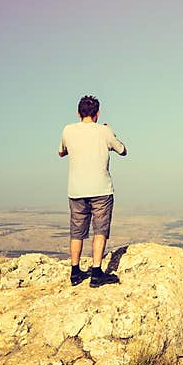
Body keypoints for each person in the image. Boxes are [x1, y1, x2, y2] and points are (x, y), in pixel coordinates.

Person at [58, 95, 127, 287]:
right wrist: (111, 133)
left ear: (78, 113)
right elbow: (122, 150)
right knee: (100, 230)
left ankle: (75, 272)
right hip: (101, 189)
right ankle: (96, 273)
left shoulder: (68, 130)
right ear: (97, 113)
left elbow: (61, 152)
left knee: (77, 231)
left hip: (76, 189)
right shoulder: (104, 131)